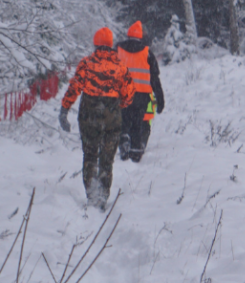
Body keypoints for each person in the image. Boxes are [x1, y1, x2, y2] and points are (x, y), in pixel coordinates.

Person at [59, 27, 133, 208]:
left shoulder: (86, 64)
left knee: (90, 155)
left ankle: (92, 192)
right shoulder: (121, 67)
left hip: (89, 117)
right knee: (107, 159)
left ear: (96, 44)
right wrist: (118, 104)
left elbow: (74, 88)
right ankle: (103, 195)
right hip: (112, 119)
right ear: (111, 45)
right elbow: (129, 95)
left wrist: (64, 109)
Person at [116, 21, 166, 163]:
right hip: (141, 97)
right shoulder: (147, 53)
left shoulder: (118, 50)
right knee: (137, 123)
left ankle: (124, 140)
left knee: (123, 120)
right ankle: (136, 152)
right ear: (141, 36)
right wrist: (160, 100)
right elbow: (155, 79)